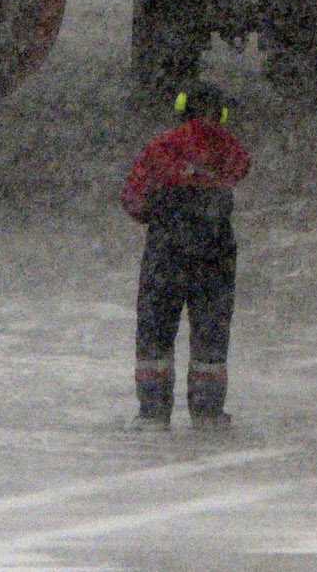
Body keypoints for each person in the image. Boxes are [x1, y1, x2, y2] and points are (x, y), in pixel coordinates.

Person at [120, 80, 250, 427]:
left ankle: (153, 412)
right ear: (221, 112)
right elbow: (241, 167)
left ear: (181, 108)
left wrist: (162, 206)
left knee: (156, 328)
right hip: (215, 250)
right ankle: (207, 412)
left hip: (167, 249)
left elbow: (133, 199)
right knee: (211, 329)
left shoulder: (161, 146)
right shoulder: (228, 146)